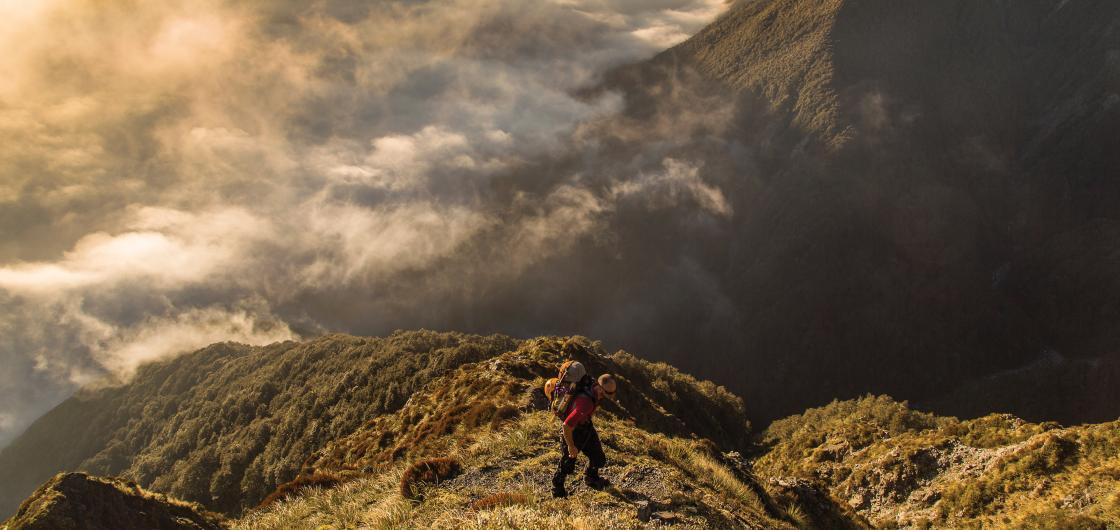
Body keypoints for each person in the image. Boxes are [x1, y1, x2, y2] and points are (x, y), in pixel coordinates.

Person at [552, 371, 618, 498]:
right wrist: (571, 446)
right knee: (567, 463)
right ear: (599, 387)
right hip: (574, 431)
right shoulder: (585, 404)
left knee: (599, 458)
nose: (610, 396)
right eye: (608, 393)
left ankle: (591, 477)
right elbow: (566, 426)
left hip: (586, 426)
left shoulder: (593, 387)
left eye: (612, 393)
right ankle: (557, 489)